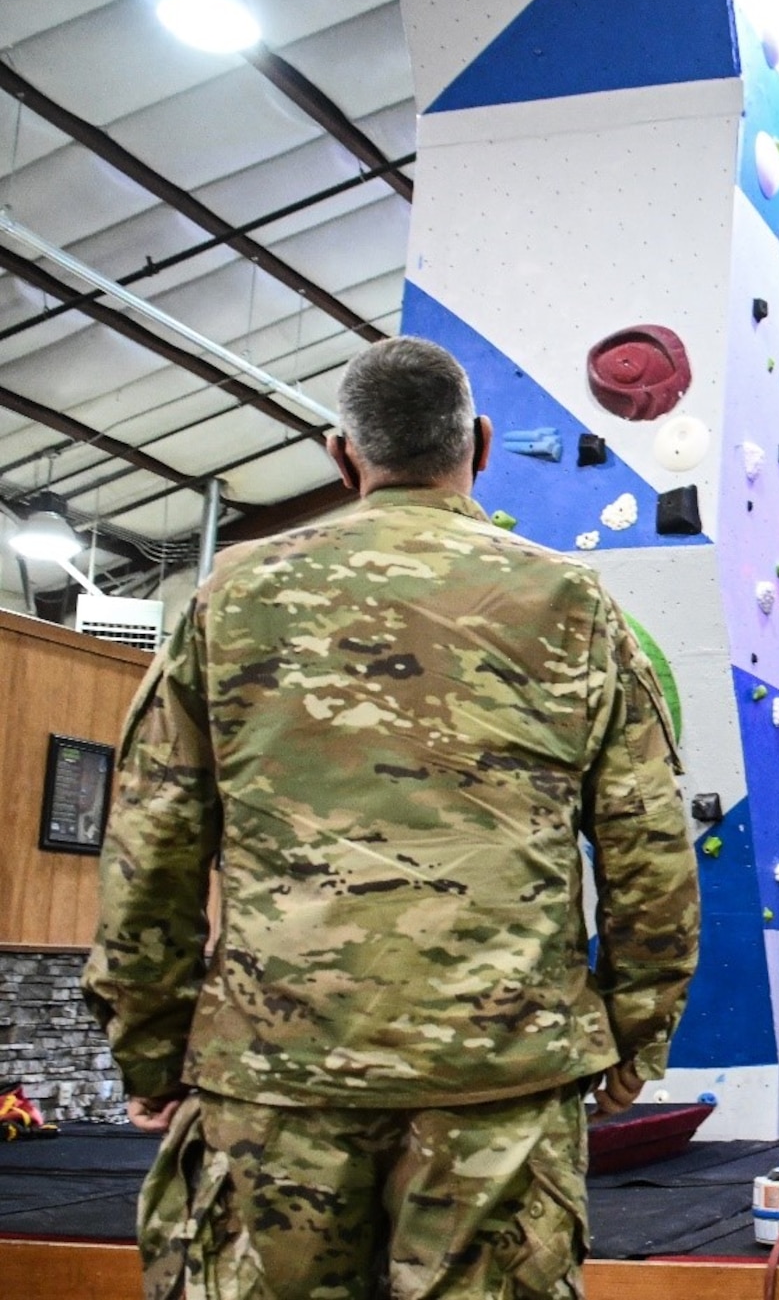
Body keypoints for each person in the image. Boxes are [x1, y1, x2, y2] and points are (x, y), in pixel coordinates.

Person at [83, 336, 699, 1299]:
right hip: (498, 1085)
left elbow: (151, 840)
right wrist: (635, 1037)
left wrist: (150, 1048)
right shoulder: (569, 600)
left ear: (342, 455)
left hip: (274, 1074)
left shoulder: (232, 594)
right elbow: (648, 846)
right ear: (482, 445)